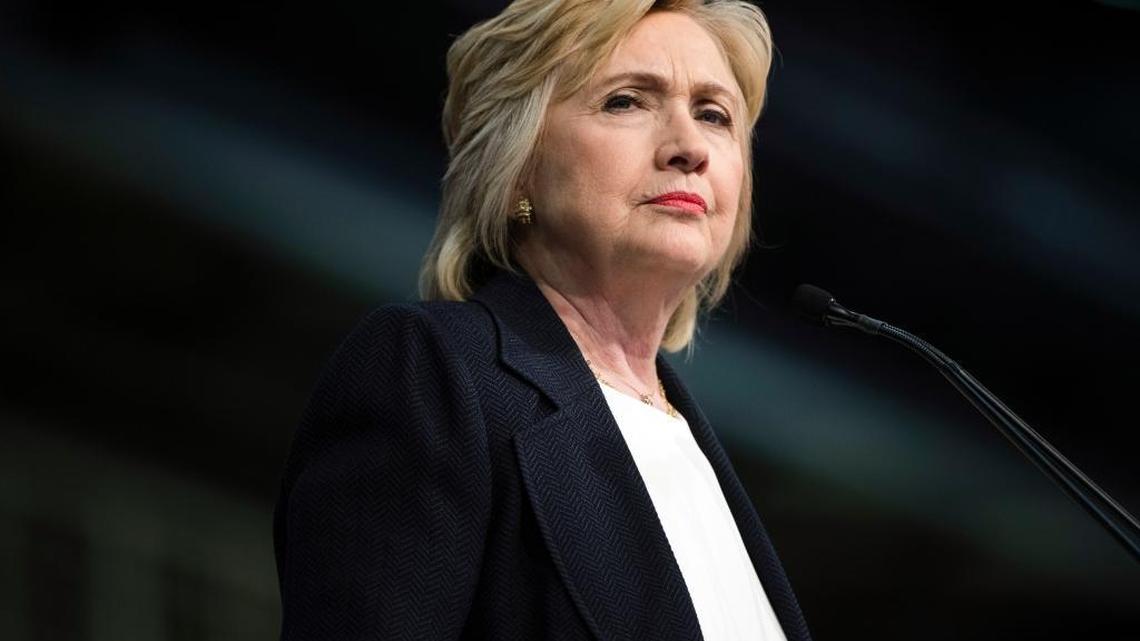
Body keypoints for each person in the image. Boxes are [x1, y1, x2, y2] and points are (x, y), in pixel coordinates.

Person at [273, 1, 811, 639]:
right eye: (627, 101)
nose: (689, 148)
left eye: (714, 115)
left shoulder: (695, 452)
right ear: (518, 162)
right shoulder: (432, 377)